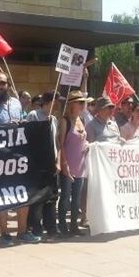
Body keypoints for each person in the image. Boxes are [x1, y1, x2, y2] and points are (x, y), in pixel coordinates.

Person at [0, 73, 40, 244]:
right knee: (2, 195)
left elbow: (22, 124)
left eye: (2, 83)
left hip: (18, 157)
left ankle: (22, 231)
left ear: (8, 85)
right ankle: (4, 233)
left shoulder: (16, 103)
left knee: (22, 193)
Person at [26, 91, 60, 240]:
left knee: (52, 197)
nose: (58, 105)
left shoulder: (54, 119)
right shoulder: (34, 115)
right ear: (47, 102)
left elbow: (56, 142)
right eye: (56, 101)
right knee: (37, 198)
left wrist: (58, 160)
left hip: (51, 163)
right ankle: (36, 227)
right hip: (38, 163)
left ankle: (51, 227)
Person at [58, 90, 89, 236]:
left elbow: (83, 140)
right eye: (80, 102)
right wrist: (64, 165)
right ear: (72, 104)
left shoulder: (81, 120)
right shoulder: (65, 121)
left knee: (76, 199)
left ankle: (74, 226)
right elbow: (61, 144)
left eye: (84, 102)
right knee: (65, 197)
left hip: (81, 165)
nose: (83, 105)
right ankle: (63, 225)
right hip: (69, 165)